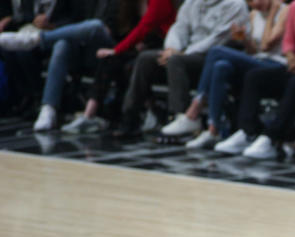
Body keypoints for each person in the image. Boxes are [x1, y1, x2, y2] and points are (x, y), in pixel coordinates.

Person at [212, 0, 295, 156]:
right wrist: (291, 58)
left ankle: (271, 138)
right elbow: (289, 42)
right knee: (254, 77)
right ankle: (248, 131)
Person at [115, 0, 250, 137]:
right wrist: (172, 47)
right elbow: (179, 27)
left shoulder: (235, 5)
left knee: (176, 61)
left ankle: (180, 116)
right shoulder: (192, 2)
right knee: (146, 59)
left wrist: (183, 53)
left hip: (211, 58)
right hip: (185, 53)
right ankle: (130, 119)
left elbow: (219, 39)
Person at [159, 0, 288, 143]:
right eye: (250, 2)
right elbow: (254, 51)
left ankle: (194, 111)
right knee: (221, 65)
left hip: (276, 64)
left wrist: (271, 15)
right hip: (257, 61)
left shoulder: (283, 11)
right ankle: (214, 129)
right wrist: (244, 40)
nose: (254, 5)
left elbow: (266, 45)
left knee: (216, 51)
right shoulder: (253, 14)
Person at [60, 0, 177, 134]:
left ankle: (145, 112)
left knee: (130, 66)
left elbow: (145, 27)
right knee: (109, 60)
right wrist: (116, 50)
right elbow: (126, 31)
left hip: (165, 49)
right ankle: (89, 114)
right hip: (140, 47)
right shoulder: (128, 4)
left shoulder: (159, 2)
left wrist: (117, 50)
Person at [0, 0, 113, 131]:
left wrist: (52, 26)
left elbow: (128, 29)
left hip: (105, 44)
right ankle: (48, 107)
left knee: (96, 26)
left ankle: (38, 39)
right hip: (72, 40)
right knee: (62, 44)